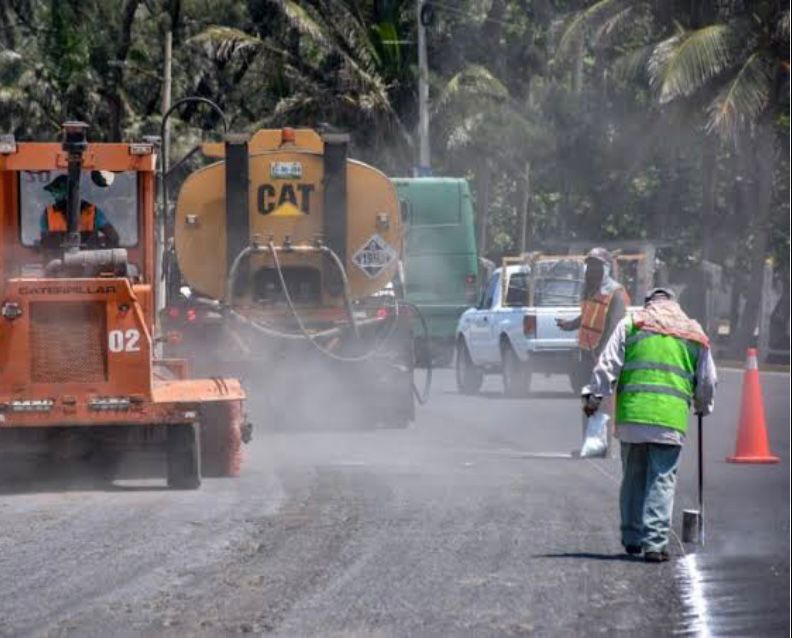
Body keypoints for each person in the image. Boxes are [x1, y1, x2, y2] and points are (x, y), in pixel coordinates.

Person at [581, 288, 717, 562]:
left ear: (649, 304)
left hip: (633, 417)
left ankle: (632, 538)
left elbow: (607, 364)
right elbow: (707, 381)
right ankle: (654, 543)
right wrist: (703, 406)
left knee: (633, 476)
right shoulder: (693, 331)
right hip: (669, 420)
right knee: (662, 479)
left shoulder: (633, 323)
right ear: (674, 306)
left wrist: (594, 397)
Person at [556, 247, 630, 455]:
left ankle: (603, 445)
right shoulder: (590, 291)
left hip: (603, 358)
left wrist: (603, 355)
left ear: (606, 268)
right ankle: (589, 443)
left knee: (603, 402)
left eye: (597, 266)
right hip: (586, 354)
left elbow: (615, 328)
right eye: (590, 266)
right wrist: (569, 325)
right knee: (589, 399)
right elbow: (587, 317)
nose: (592, 271)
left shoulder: (615, 294)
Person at [40, 174, 119, 246]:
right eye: (54, 194)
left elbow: (45, 244)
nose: (54, 197)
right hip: (90, 260)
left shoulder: (48, 214)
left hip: (60, 260)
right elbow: (113, 237)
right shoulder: (93, 212)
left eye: (56, 193)